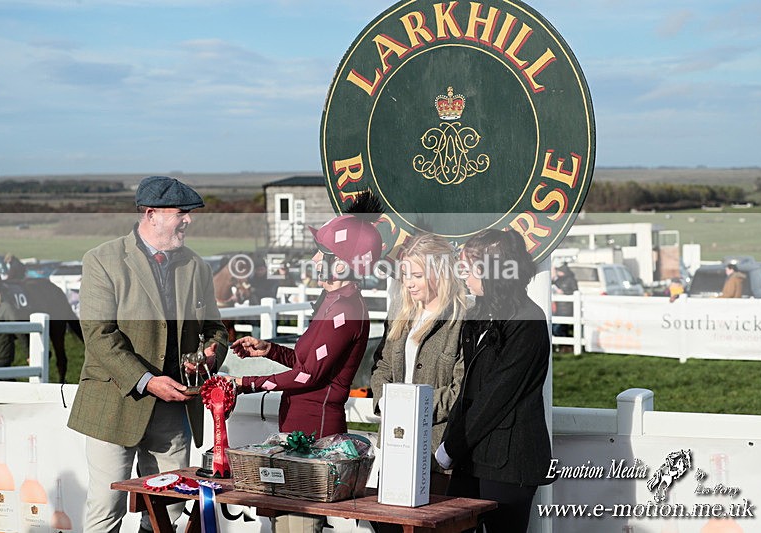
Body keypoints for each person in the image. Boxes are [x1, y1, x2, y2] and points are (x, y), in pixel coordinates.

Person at [67, 175, 229, 533]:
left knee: (168, 510)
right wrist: (148, 381)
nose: (189, 220)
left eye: (190, 213)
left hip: (173, 408)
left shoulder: (197, 267)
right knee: (107, 508)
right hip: (114, 404)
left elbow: (214, 329)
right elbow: (98, 334)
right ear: (151, 213)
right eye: (181, 213)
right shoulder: (102, 260)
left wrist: (208, 355)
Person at [228, 191, 383, 533]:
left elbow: (307, 376)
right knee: (285, 523)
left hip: (315, 436)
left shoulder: (345, 311)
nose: (314, 260)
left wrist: (245, 384)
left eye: (323, 253)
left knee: (296, 526)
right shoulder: (331, 301)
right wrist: (269, 350)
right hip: (299, 429)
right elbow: (305, 363)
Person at [435, 229, 554, 533]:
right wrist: (453, 442)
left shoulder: (529, 320)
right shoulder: (480, 313)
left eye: (471, 267)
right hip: (471, 457)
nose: (465, 275)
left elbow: (497, 395)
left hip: (509, 463)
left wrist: (452, 445)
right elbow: (467, 391)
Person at [370, 232, 467, 496]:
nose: (409, 283)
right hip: (394, 443)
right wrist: (385, 401)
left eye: (417, 275)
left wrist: (415, 409)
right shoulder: (401, 312)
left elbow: (461, 390)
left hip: (436, 453)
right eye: (406, 275)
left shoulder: (463, 320)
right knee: (386, 524)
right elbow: (382, 367)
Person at [551, 262, 578, 339]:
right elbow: (551, 284)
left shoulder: (571, 280)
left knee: (559, 327)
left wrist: (564, 292)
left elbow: (575, 291)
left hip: (567, 308)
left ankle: (565, 345)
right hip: (558, 307)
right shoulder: (558, 280)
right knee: (556, 327)